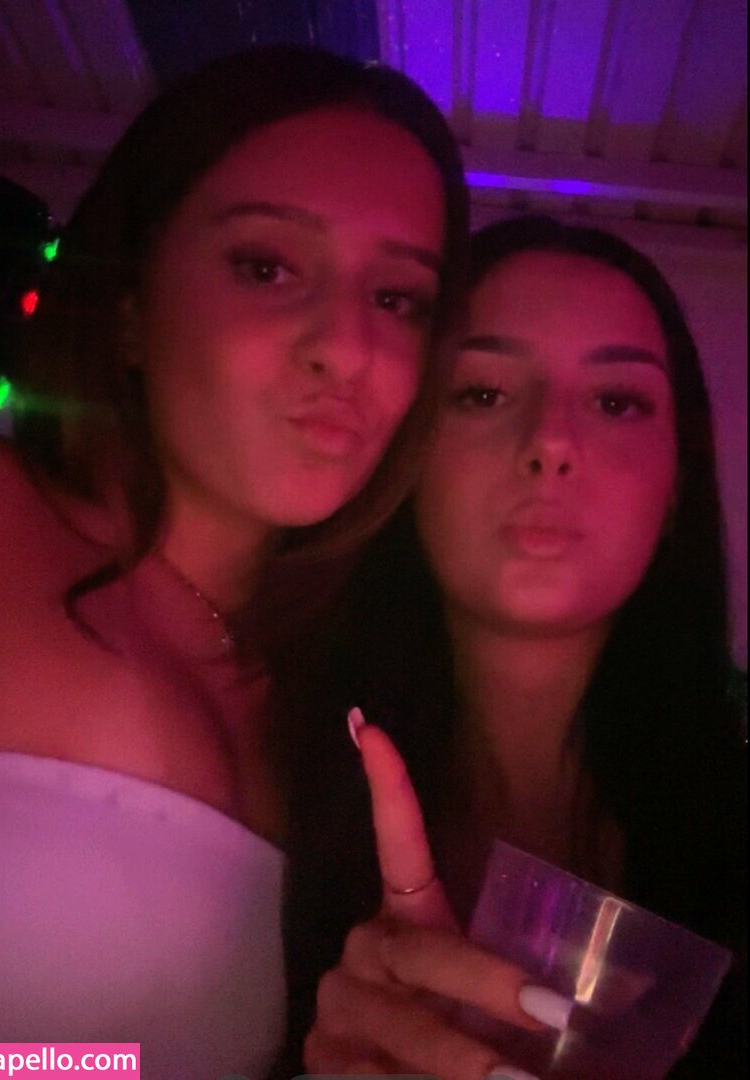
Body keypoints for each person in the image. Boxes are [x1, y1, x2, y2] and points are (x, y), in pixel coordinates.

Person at [0, 44, 469, 1079]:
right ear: (129, 308)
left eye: (400, 300)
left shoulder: (352, 707)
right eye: (267, 267)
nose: (349, 348)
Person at [276, 216, 747, 1077]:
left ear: (678, 479)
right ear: (408, 455)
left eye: (617, 403)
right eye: (484, 394)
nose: (552, 443)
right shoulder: (268, 771)